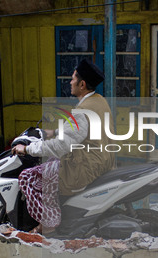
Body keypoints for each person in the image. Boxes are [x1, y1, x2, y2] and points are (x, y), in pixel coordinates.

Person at [11, 59, 114, 234]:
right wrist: (55, 132)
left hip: (84, 167)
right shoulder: (98, 101)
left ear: (82, 84)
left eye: (73, 78)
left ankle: (48, 223)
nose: (70, 82)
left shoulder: (82, 110)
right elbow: (81, 131)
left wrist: (27, 149)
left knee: (28, 176)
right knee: (50, 164)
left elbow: (61, 146)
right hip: (102, 160)